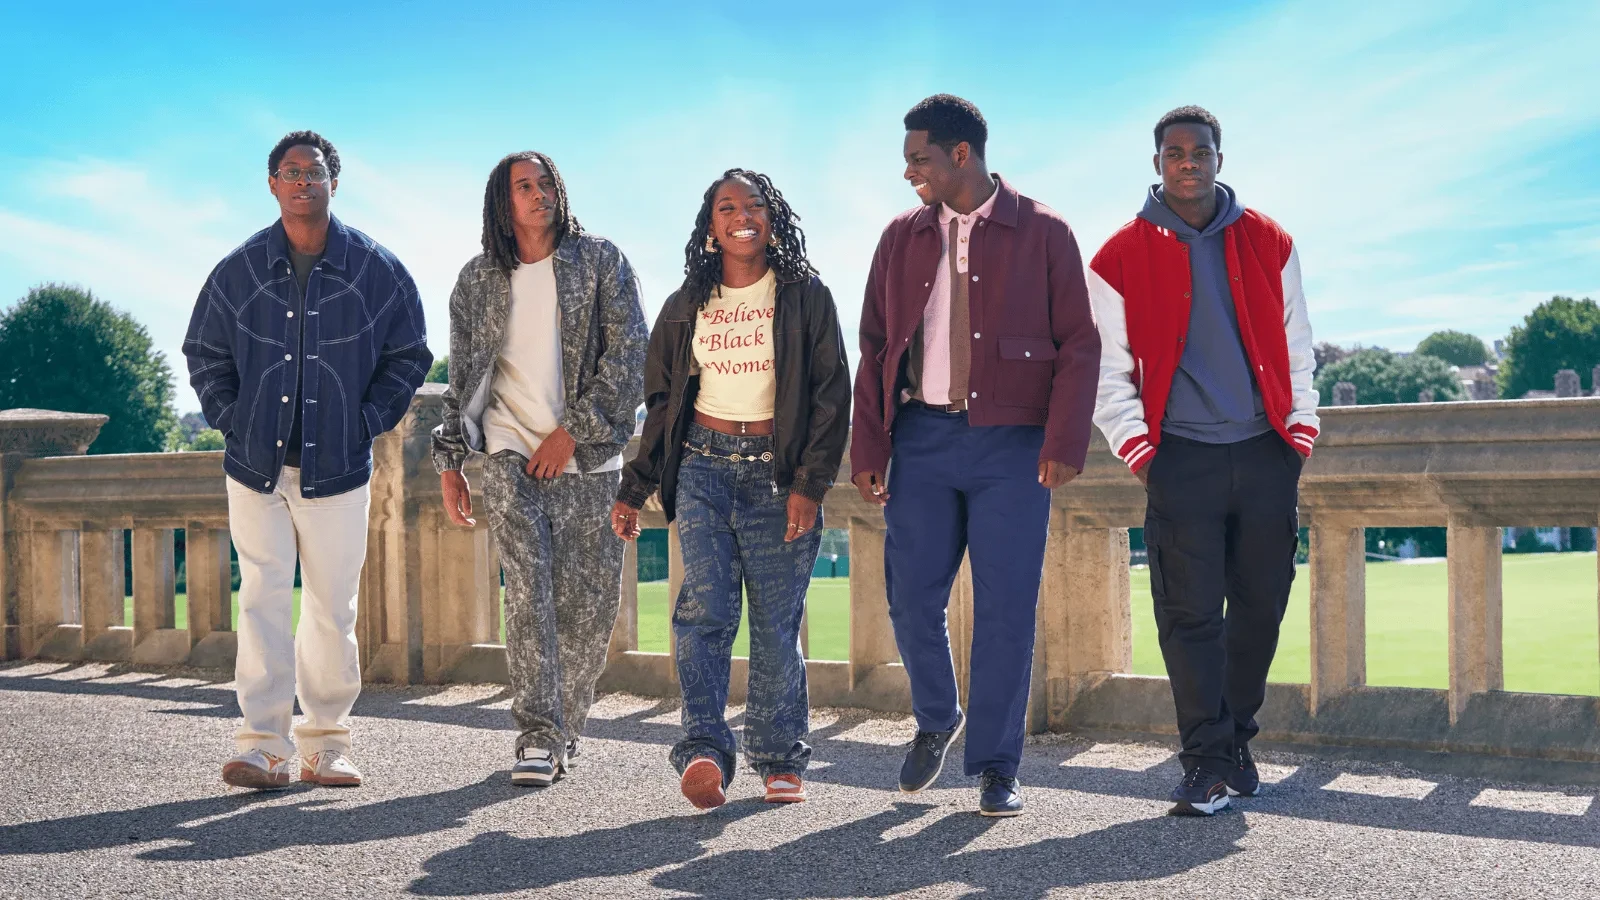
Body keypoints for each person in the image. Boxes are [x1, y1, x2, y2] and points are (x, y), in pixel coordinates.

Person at [851, 95, 1100, 817]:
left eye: (918, 158)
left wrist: (1062, 441)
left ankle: (996, 765)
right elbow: (872, 347)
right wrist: (870, 445)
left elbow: (1079, 345)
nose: (908, 172)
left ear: (962, 154)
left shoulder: (1045, 230)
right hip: (922, 442)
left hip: (1013, 445)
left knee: (1004, 611)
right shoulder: (900, 237)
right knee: (911, 596)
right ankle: (937, 716)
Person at [1089, 106, 1320, 816]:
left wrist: (1298, 434)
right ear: (1157, 163)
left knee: (1260, 609)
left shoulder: (1269, 241)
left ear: (1220, 157)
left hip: (1263, 453)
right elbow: (1109, 372)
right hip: (1179, 459)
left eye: (1200, 151)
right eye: (1174, 153)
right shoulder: (1116, 256)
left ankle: (1235, 740)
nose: (1187, 162)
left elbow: (1298, 341)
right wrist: (1144, 455)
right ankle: (1208, 763)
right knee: (1189, 617)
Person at [184, 130, 431, 790]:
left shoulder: (376, 269)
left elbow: (410, 355)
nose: (302, 180)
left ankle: (325, 743)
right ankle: (263, 744)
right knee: (262, 595)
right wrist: (234, 420)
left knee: (331, 605)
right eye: (289, 171)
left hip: (339, 467)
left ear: (333, 181)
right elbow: (204, 352)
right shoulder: (237, 270)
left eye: (313, 171)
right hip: (254, 466)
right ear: (272, 185)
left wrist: (365, 421)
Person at [614, 168, 850, 810]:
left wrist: (808, 483)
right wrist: (634, 488)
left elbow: (832, 396)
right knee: (705, 612)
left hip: (778, 474)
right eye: (726, 206)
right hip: (702, 468)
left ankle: (779, 757)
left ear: (773, 218)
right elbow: (660, 403)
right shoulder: (687, 303)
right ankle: (704, 753)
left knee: (776, 625)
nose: (741, 214)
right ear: (710, 226)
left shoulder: (805, 297)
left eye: (753, 204)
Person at [432, 151, 647, 787]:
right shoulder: (476, 281)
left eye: (546, 181)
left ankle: (563, 729)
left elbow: (630, 356)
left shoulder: (601, 261)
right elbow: (463, 377)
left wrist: (571, 433)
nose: (539, 193)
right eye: (523, 186)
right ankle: (536, 734)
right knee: (527, 591)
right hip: (504, 451)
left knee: (588, 607)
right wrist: (451, 463)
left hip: (589, 458)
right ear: (503, 204)